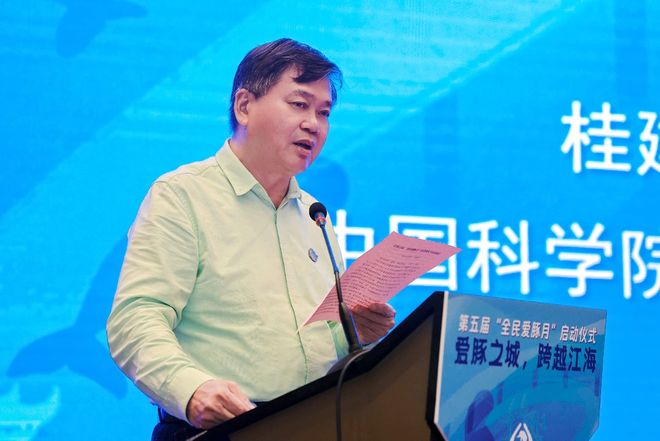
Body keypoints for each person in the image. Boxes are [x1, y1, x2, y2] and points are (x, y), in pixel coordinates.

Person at [106, 38, 396, 440]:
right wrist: (191, 390)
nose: (313, 124)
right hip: (218, 430)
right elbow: (135, 319)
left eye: (324, 112)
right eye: (299, 104)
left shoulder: (314, 216)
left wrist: (350, 332)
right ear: (244, 106)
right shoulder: (183, 196)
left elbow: (306, 348)